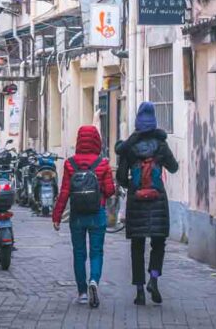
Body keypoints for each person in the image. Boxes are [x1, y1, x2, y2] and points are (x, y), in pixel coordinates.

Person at [116, 101, 178, 306]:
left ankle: (140, 291)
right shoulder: (161, 144)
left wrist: (132, 186)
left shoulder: (130, 146)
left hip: (136, 200)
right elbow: (174, 167)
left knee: (137, 246)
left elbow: (121, 177)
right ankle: (153, 278)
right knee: (158, 243)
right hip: (158, 200)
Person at [52, 124, 115, 308]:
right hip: (97, 214)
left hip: (77, 216)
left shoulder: (70, 163)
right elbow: (110, 190)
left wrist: (56, 217)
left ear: (79, 141)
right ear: (97, 141)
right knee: (96, 251)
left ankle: (81, 293)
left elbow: (64, 192)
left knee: (79, 254)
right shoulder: (102, 163)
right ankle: (94, 280)